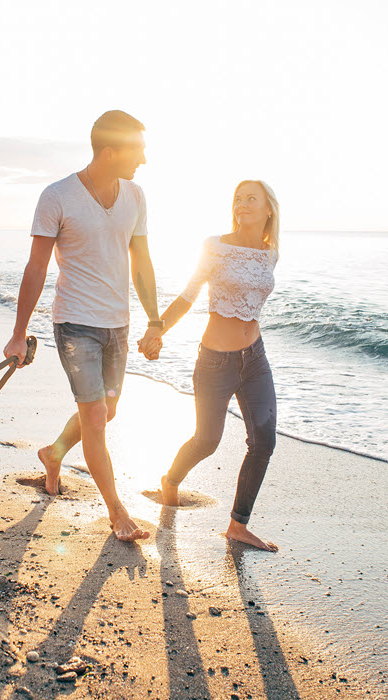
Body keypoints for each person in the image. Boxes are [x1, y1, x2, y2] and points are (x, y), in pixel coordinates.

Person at [3, 110, 161, 542]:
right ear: (110, 152)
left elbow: (141, 261)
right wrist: (19, 333)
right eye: (138, 150)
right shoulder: (58, 196)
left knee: (105, 412)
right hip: (75, 326)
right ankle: (117, 512)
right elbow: (36, 268)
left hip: (119, 326)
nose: (144, 160)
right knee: (94, 416)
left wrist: (154, 319)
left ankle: (52, 453)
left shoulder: (136, 195)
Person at [138, 180, 281, 551]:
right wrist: (158, 329)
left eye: (252, 198)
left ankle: (238, 525)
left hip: (256, 360)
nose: (243, 203)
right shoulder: (214, 246)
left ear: (269, 209)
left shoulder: (270, 252)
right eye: (238, 198)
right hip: (215, 362)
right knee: (207, 441)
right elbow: (188, 296)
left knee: (263, 441)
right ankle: (171, 480)